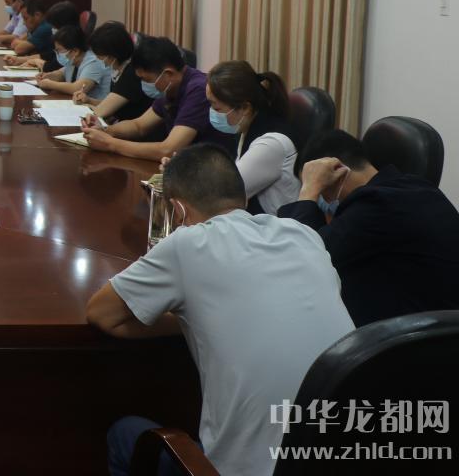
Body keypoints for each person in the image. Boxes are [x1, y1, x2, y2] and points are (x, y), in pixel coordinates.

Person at [86, 145, 353, 476]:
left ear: (178, 211)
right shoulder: (302, 235)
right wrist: (200, 317)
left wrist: (188, 318)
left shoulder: (188, 243)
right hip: (347, 458)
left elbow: (102, 314)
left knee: (123, 434)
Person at [279, 130, 459, 326]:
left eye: (319, 187)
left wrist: (308, 191)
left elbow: (300, 259)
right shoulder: (413, 187)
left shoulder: (377, 205)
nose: (320, 197)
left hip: (417, 338)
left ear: (337, 171)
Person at [82, 36, 231, 161]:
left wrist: (110, 144)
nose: (143, 84)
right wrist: (105, 130)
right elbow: (139, 126)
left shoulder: (198, 89)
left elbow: (168, 150)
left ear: (168, 74)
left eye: (146, 79)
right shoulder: (171, 87)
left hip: (210, 167)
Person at [206, 60, 299, 214]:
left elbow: (221, 194)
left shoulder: (271, 144)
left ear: (245, 108)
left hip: (275, 227)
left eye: (216, 107)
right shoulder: (247, 126)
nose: (212, 112)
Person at [75, 22, 150, 123]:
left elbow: (101, 112)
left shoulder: (131, 73)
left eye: (99, 56)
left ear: (112, 55)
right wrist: (88, 100)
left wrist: (81, 108)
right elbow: (112, 105)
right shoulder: (117, 69)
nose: (97, 59)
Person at [37, 24, 112, 99]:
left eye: (59, 50)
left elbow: (78, 88)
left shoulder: (94, 62)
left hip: (96, 104)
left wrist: (50, 84)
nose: (58, 54)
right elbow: (61, 74)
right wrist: (48, 76)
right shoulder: (73, 60)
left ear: (75, 51)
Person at [5, 0, 56, 69]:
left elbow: (19, 49)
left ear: (37, 15)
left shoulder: (44, 28)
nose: (24, 23)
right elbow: (14, 43)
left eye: (26, 18)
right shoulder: (37, 27)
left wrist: (22, 43)